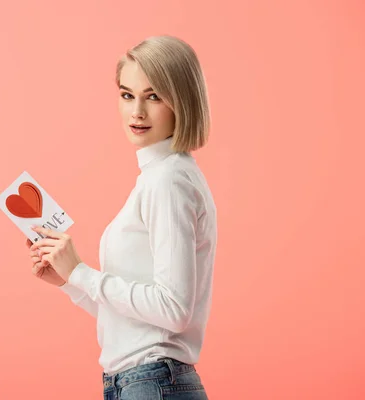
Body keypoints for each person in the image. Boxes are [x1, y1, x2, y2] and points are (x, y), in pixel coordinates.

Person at [27, 35, 216, 400]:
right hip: (139, 383)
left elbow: (174, 310)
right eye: (127, 94)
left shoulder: (168, 180)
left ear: (183, 101)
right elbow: (139, 322)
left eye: (154, 95)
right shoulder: (159, 177)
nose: (137, 112)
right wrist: (69, 282)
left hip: (152, 383)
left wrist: (82, 272)